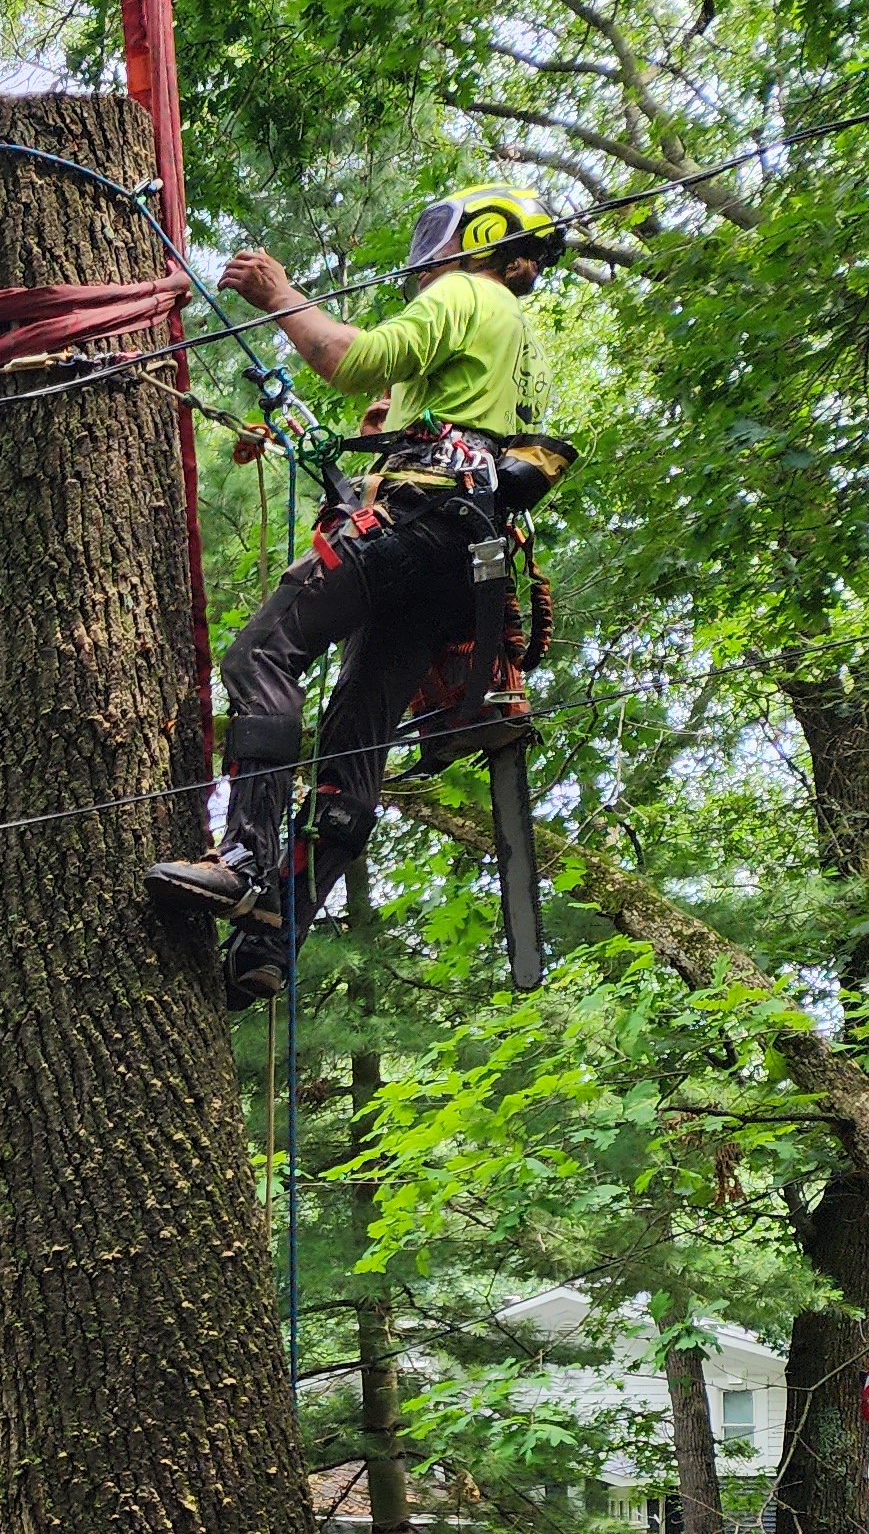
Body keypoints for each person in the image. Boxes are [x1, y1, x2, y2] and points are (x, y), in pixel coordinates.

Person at [152, 184, 567, 1005]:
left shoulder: (466, 289)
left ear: (477, 237)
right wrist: (386, 433)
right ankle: (274, 932)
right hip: (460, 559)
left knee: (264, 652)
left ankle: (241, 860)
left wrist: (280, 297)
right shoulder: (518, 333)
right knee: (355, 740)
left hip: (415, 525)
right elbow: (459, 426)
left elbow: (346, 358)